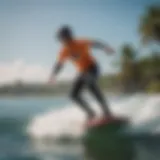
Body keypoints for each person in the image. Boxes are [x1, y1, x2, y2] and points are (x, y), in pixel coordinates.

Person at [49, 26, 115, 121]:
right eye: (60, 38)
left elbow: (95, 43)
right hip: (81, 72)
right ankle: (91, 113)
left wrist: (106, 48)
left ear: (68, 36)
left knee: (90, 83)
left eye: (62, 37)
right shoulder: (64, 50)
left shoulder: (80, 42)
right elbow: (59, 64)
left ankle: (107, 112)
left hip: (92, 67)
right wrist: (53, 75)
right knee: (73, 95)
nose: (61, 40)